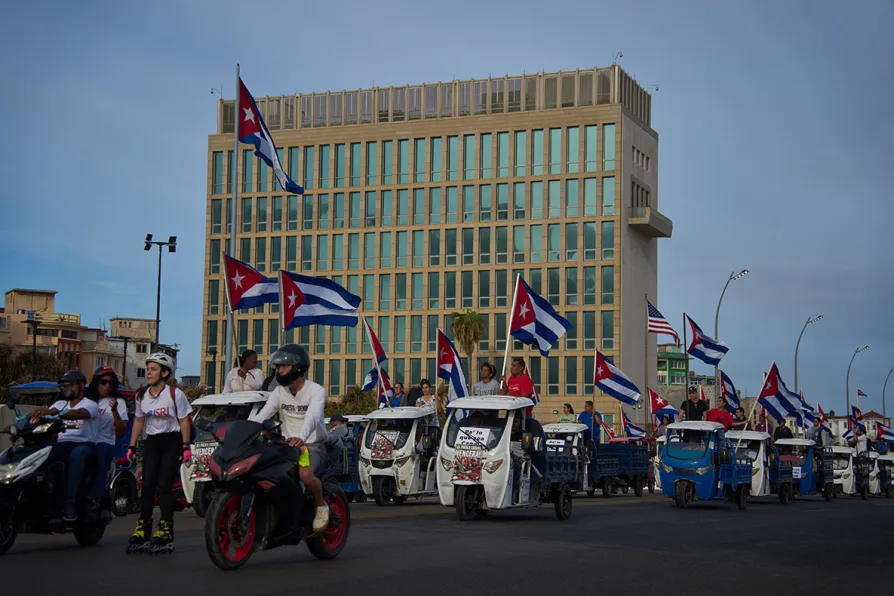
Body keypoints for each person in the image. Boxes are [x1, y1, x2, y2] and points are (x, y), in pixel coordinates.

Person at [249, 344, 329, 533]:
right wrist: (246, 429)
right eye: (277, 367)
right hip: (286, 444)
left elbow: (313, 417)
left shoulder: (316, 391)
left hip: (311, 443)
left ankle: (321, 506)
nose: (279, 371)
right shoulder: (279, 392)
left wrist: (301, 437)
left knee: (305, 475)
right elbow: (263, 415)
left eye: (284, 366)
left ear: (298, 367)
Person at [125, 353, 192, 554]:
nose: (149, 373)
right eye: (148, 369)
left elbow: (184, 421)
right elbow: (139, 421)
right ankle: (143, 527)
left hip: (172, 440)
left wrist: (186, 446)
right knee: (147, 485)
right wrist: (131, 446)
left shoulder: (175, 394)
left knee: (164, 485)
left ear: (164, 373)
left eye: (153, 369)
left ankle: (165, 528)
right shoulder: (142, 395)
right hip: (152, 441)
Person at [30, 370, 98, 522]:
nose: (67, 389)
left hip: (83, 443)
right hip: (62, 443)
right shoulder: (60, 404)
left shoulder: (90, 404)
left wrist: (54, 413)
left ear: (81, 386)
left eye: (70, 386)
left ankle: (70, 503)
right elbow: (50, 411)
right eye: (64, 386)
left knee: (76, 456)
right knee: (40, 454)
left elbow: (79, 413)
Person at [86, 366, 128, 505]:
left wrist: (114, 411)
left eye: (111, 383)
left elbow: (121, 431)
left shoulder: (118, 402)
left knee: (100, 452)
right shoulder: (87, 400)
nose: (107, 386)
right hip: (86, 441)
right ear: (96, 383)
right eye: (103, 382)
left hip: (105, 442)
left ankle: (95, 497)